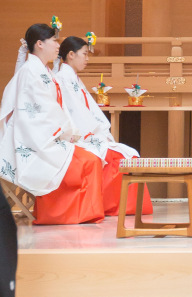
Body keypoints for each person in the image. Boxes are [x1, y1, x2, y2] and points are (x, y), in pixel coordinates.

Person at [0, 24, 104, 225]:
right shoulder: (30, 72)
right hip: (35, 139)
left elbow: (51, 108)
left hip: (47, 134)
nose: (58, 46)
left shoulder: (41, 71)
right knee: (87, 161)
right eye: (54, 41)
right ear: (39, 44)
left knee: (91, 159)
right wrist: (65, 131)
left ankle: (82, 214)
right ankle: (63, 215)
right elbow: (34, 113)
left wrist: (67, 131)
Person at [55, 36, 152, 218]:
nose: (87, 59)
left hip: (87, 133)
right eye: (84, 54)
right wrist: (96, 133)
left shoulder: (72, 78)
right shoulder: (62, 79)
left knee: (127, 152)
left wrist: (101, 130)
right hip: (78, 137)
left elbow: (86, 110)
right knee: (117, 155)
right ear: (70, 55)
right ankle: (114, 206)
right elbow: (73, 114)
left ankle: (123, 206)